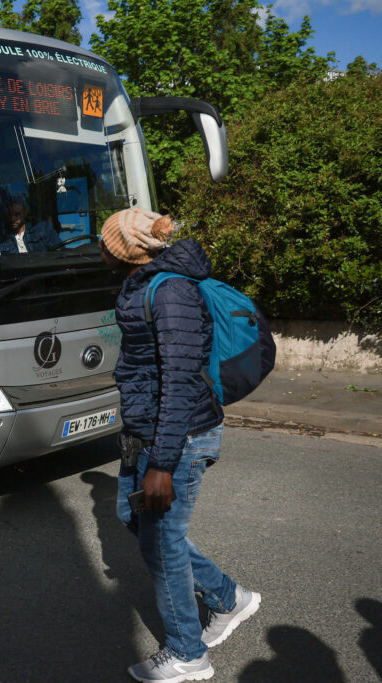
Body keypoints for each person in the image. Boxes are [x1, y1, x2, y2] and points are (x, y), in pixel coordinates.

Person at [101, 207, 262, 682]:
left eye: (104, 241)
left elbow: (179, 381)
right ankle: (230, 599)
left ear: (122, 250)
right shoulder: (141, 285)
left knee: (163, 544)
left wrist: (163, 465)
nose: (98, 249)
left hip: (179, 436)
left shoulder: (170, 291)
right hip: (149, 431)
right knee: (133, 519)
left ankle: (188, 654)